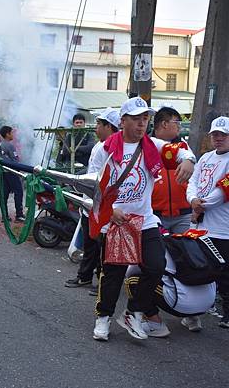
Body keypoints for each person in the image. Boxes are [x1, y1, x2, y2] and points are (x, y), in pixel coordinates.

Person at [90, 97, 195, 342]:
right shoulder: (104, 149)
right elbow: (92, 185)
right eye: (136, 119)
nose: (141, 124)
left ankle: (134, 311)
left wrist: (189, 161)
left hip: (145, 219)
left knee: (156, 265)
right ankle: (103, 318)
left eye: (145, 119)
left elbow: (180, 150)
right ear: (123, 121)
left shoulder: (153, 145)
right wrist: (111, 209)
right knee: (113, 273)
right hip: (115, 220)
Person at [65, 108, 119, 295]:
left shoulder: (114, 147)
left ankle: (104, 283)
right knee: (90, 243)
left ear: (108, 126)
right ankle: (85, 276)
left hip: (103, 204)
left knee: (102, 246)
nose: (95, 127)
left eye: (98, 124)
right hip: (89, 202)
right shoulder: (99, 145)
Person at [186, 116, 229, 328]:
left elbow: (223, 191)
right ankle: (201, 306)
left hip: (223, 228)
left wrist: (201, 205)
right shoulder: (205, 158)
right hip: (200, 226)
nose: (219, 138)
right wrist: (193, 200)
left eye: (223, 135)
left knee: (224, 272)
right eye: (215, 135)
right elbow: (192, 181)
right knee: (200, 268)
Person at [125, 251, 216, 334]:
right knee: (190, 275)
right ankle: (192, 318)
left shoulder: (156, 245)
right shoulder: (196, 240)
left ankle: (155, 324)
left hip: (181, 304)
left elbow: (130, 272)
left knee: (132, 281)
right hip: (208, 303)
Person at [151, 107, 192, 234]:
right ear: (164, 124)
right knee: (159, 252)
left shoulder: (183, 146)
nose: (179, 127)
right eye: (176, 123)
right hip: (154, 215)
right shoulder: (147, 145)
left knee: (185, 251)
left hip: (184, 214)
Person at [0, 125, 25, 222]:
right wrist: (19, 170)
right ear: (7, 134)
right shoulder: (9, 145)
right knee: (18, 192)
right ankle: (19, 215)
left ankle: (4, 216)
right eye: (12, 132)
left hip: (3, 172)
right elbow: (14, 160)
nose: (13, 134)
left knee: (4, 194)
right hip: (12, 172)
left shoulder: (0, 144)